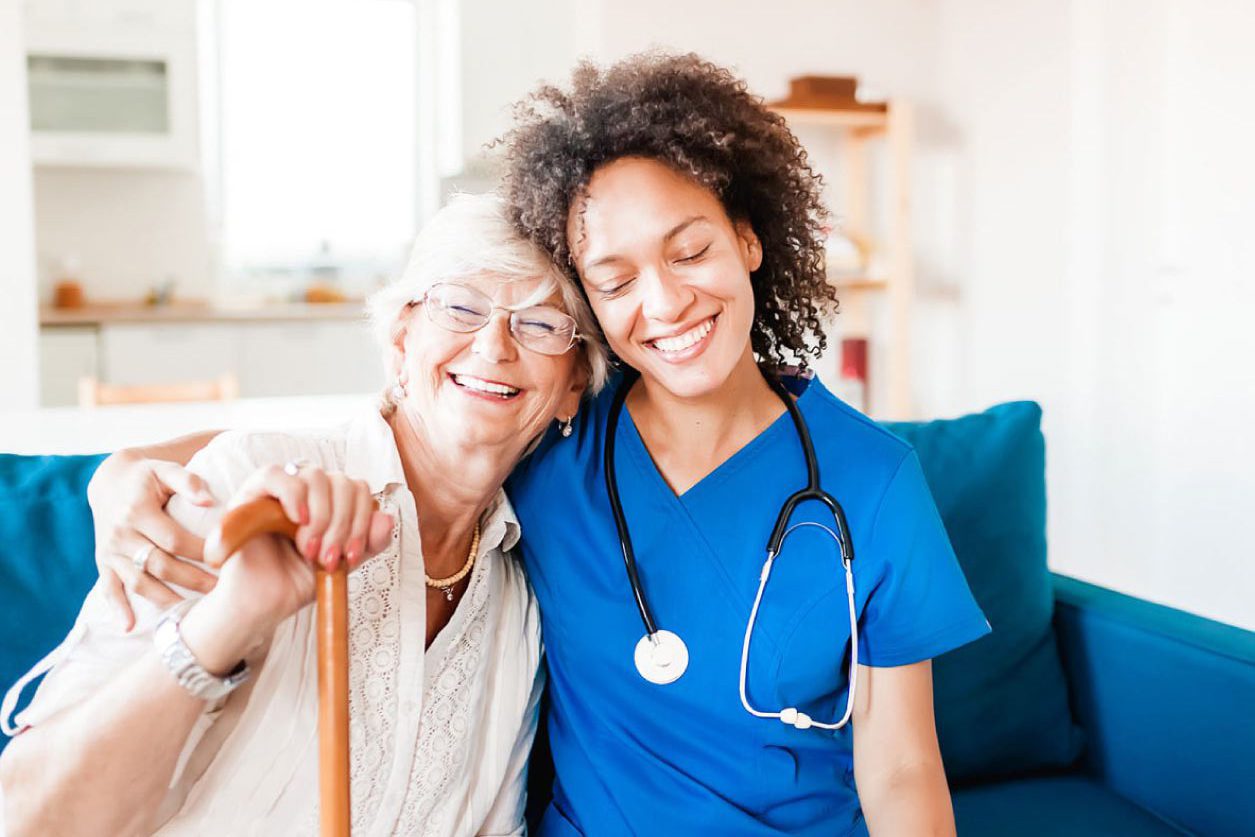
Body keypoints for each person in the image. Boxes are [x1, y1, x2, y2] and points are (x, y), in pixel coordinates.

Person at [68, 54, 990, 835]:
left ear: (749, 239)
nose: (664, 304)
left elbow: (903, 768)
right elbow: (377, 429)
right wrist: (121, 474)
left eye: (691, 249)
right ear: (590, 306)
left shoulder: (872, 483)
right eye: (614, 277)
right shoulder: (556, 439)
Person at [0, 193, 608, 837]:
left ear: (574, 383)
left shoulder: (523, 599)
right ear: (401, 339)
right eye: (460, 306)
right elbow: (28, 818)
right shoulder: (245, 486)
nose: (492, 344)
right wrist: (231, 617)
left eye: (540, 323)